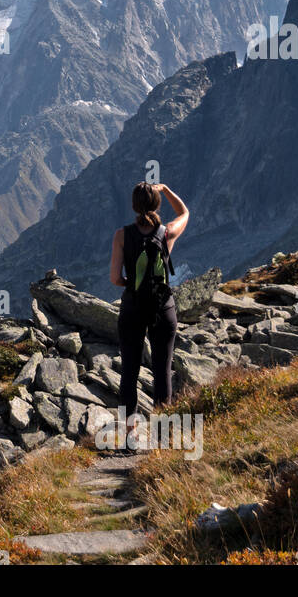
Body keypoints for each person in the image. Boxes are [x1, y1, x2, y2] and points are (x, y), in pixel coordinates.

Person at [109, 181, 189, 447]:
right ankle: (162, 438)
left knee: (129, 372)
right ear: (156, 203)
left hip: (132, 308)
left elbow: (114, 278)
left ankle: (130, 436)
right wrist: (166, 190)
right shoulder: (167, 233)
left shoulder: (122, 235)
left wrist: (134, 284)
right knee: (162, 371)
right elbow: (185, 212)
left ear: (133, 205)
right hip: (162, 308)